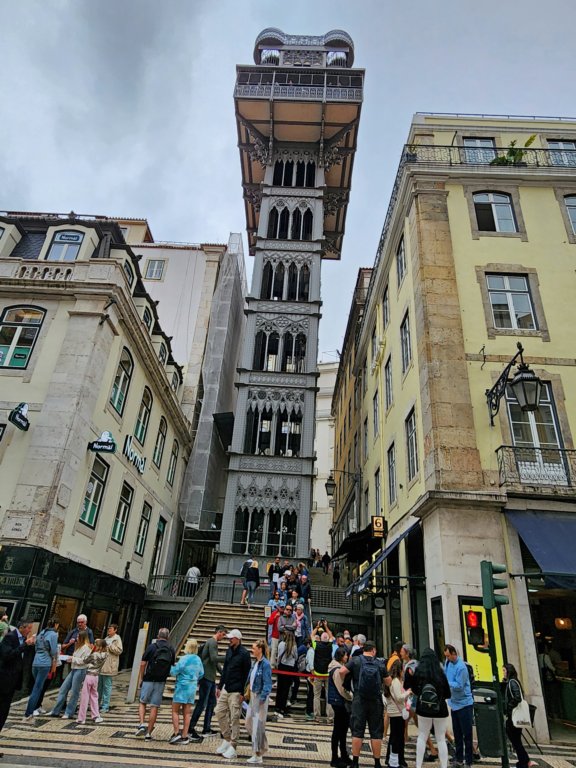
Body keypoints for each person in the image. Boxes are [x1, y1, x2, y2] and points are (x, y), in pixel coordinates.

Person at [339, 639, 390, 768]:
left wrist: (347, 683)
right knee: (376, 732)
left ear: (363, 650)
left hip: (359, 700)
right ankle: (377, 763)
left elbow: (341, 671)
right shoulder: (379, 663)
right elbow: (388, 681)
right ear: (373, 650)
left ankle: (355, 762)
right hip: (375, 701)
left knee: (357, 731)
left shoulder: (356, 661)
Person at [411, 648, 452, 768]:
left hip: (423, 709)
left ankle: (418, 765)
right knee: (441, 739)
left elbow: (414, 690)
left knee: (422, 736)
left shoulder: (419, 673)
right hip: (440, 709)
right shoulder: (440, 673)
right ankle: (443, 765)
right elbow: (448, 694)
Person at [215, 628, 251, 760]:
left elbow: (247, 675)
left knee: (235, 718)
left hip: (237, 690)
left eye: (231, 638)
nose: (229, 640)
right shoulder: (229, 650)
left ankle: (233, 745)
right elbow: (225, 669)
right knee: (219, 711)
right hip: (227, 687)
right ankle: (227, 738)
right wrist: (220, 686)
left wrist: (243, 693)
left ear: (238, 639)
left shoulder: (245, 654)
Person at [188, 624, 227, 741]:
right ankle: (191, 728)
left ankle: (206, 728)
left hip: (210, 677)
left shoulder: (211, 642)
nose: (223, 637)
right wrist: (228, 657)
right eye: (223, 635)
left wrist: (223, 673)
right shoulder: (212, 642)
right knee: (202, 703)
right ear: (219, 632)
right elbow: (214, 658)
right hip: (206, 677)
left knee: (211, 702)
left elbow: (213, 661)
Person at [136, 627, 176, 739]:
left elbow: (143, 663)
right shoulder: (171, 648)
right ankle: (148, 733)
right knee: (154, 706)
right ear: (168, 637)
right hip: (161, 680)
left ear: (158, 636)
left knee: (142, 702)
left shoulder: (152, 647)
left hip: (148, 678)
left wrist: (141, 677)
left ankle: (142, 724)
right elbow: (172, 665)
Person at [0, 617, 35, 742]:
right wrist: (24, 645)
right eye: (29, 628)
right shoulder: (10, 637)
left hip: (13, 680)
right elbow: (7, 655)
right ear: (22, 628)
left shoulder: (24, 639)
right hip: (4, 679)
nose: (30, 631)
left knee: (4, 711)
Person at [49, 629, 92, 718]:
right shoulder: (78, 646)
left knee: (74, 692)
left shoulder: (86, 648)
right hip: (74, 669)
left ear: (82, 638)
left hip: (80, 670)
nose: (76, 638)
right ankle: (56, 711)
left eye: (78, 637)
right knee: (63, 689)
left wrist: (73, 659)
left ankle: (69, 713)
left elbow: (85, 661)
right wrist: (71, 658)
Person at [168, 638, 204, 744]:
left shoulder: (184, 659)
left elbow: (175, 671)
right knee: (187, 713)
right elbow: (201, 673)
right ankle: (184, 735)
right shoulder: (198, 659)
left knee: (175, 710)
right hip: (192, 688)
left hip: (182, 687)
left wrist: (170, 668)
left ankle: (176, 733)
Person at [444, 644, 474, 768]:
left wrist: (447, 683)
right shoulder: (448, 663)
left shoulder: (461, 667)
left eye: (448, 656)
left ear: (453, 654)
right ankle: (459, 758)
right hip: (454, 703)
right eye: (445, 656)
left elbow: (460, 685)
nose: (447, 658)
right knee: (457, 734)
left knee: (467, 734)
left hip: (464, 704)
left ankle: (469, 760)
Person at [24, 616, 60, 719]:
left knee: (36, 687)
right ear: (56, 625)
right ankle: (30, 711)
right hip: (45, 663)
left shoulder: (42, 633)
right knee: (38, 688)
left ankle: (31, 709)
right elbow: (53, 651)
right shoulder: (53, 634)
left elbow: (36, 647)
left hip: (36, 661)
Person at [245, 639, 273, 764]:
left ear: (260, 649)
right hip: (253, 695)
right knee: (249, 722)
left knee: (258, 725)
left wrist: (263, 697)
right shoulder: (255, 663)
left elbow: (268, 683)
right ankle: (262, 746)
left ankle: (257, 754)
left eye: (254, 648)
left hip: (260, 696)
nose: (252, 650)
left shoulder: (265, 664)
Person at [328, 645, 353, 768]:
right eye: (346, 655)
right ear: (341, 656)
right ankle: (335, 757)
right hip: (338, 701)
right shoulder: (337, 670)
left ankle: (343, 755)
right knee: (339, 730)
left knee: (342, 730)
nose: (347, 657)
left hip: (337, 700)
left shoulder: (336, 667)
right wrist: (350, 696)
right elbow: (341, 688)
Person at [502, 663, 530, 768]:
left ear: (509, 671)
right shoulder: (513, 681)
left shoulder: (512, 682)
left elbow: (517, 697)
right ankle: (524, 760)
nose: (503, 673)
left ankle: (524, 762)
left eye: (504, 670)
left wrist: (509, 708)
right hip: (514, 715)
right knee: (516, 740)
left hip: (514, 715)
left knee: (515, 740)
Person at [385, 658, 411, 768]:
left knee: (394, 737)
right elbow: (399, 697)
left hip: (396, 712)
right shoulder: (395, 681)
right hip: (397, 713)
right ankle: (396, 761)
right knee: (398, 738)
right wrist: (408, 693)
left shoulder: (394, 680)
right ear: (400, 669)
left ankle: (392, 759)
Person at [76, 638, 108, 724]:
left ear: (99, 646)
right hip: (96, 677)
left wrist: (73, 658)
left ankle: (81, 718)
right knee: (94, 697)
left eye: (96, 645)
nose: (94, 646)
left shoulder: (94, 655)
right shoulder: (106, 654)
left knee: (84, 697)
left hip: (89, 676)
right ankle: (96, 716)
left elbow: (84, 661)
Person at [311, 621, 335, 721]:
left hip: (318, 673)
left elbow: (312, 635)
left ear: (320, 639)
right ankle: (330, 717)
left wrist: (317, 626)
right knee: (329, 695)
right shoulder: (330, 645)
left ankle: (317, 716)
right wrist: (326, 626)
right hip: (327, 674)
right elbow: (332, 636)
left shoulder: (316, 645)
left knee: (316, 695)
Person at [98, 624, 123, 713]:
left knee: (107, 687)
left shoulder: (117, 638)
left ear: (115, 630)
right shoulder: (106, 638)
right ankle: (96, 704)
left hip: (109, 666)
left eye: (111, 629)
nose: (109, 630)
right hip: (102, 665)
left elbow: (119, 650)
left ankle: (105, 706)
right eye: (108, 628)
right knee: (99, 687)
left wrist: (110, 646)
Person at [61, 614, 94, 680]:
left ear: (86, 622)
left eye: (82, 622)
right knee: (66, 678)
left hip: (81, 662)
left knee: (76, 680)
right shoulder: (73, 631)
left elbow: (92, 647)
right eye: (78, 622)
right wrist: (70, 643)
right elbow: (63, 647)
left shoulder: (89, 632)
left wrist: (84, 645)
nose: (80, 624)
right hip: (70, 659)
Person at [275, 629, 298, 718]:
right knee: (286, 689)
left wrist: (277, 665)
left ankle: (277, 707)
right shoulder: (294, 646)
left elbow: (279, 656)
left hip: (281, 666)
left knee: (280, 688)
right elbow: (296, 657)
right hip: (289, 668)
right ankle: (282, 709)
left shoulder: (281, 644)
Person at [267, 604, 285, 668]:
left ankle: (279, 665)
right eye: (280, 608)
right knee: (274, 650)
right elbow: (269, 622)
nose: (281, 609)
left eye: (282, 608)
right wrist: (275, 617)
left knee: (281, 651)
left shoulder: (285, 614)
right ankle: (272, 665)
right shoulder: (274, 613)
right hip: (275, 635)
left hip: (283, 636)